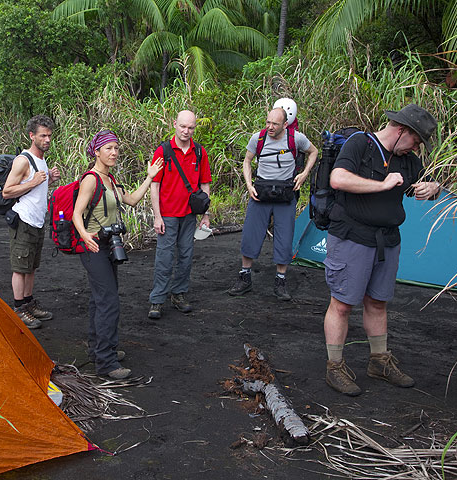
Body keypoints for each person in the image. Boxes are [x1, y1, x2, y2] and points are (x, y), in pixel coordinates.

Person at [322, 104, 441, 396]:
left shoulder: (409, 160)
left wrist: (432, 187)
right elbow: (337, 179)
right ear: (402, 130)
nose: (415, 147)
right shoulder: (360, 144)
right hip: (352, 235)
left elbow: (425, 183)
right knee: (343, 303)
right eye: (415, 140)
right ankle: (335, 366)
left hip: (387, 240)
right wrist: (382, 184)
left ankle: (378, 361)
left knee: (377, 302)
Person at [73, 130, 163, 379]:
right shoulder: (91, 179)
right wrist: (84, 235)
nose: (114, 153)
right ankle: (106, 363)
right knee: (108, 301)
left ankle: (100, 349)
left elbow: (132, 200)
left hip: (108, 246)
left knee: (99, 299)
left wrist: (149, 177)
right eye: (109, 148)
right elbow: (76, 213)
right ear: (97, 151)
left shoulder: (110, 179)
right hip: (93, 246)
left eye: (116, 148)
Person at [229, 107, 318, 300]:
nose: (270, 127)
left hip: (285, 193)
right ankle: (244, 277)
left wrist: (304, 174)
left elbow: (313, 152)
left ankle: (280, 280)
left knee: (284, 238)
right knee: (251, 234)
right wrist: (248, 184)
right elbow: (247, 161)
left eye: (275, 124)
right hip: (261, 192)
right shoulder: (258, 138)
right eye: (268, 122)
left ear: (285, 125)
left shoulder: (296, 138)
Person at [147, 110, 212, 319]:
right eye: (183, 126)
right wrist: (157, 216)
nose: (186, 131)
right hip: (167, 214)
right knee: (164, 257)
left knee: (186, 256)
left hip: (189, 214)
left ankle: (179, 294)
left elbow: (205, 185)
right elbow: (154, 185)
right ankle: (157, 300)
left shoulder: (199, 152)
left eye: (191, 127)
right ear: (175, 124)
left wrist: (206, 214)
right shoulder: (163, 151)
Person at [2, 115, 61, 329]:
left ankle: (28, 303)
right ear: (31, 136)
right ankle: (18, 309)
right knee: (20, 268)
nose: (47, 140)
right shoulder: (23, 160)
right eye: (43, 136)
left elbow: (35, 188)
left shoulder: (41, 161)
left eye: (49, 136)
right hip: (24, 221)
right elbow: (7, 191)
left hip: (37, 222)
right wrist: (35, 181)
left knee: (31, 267)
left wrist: (49, 180)